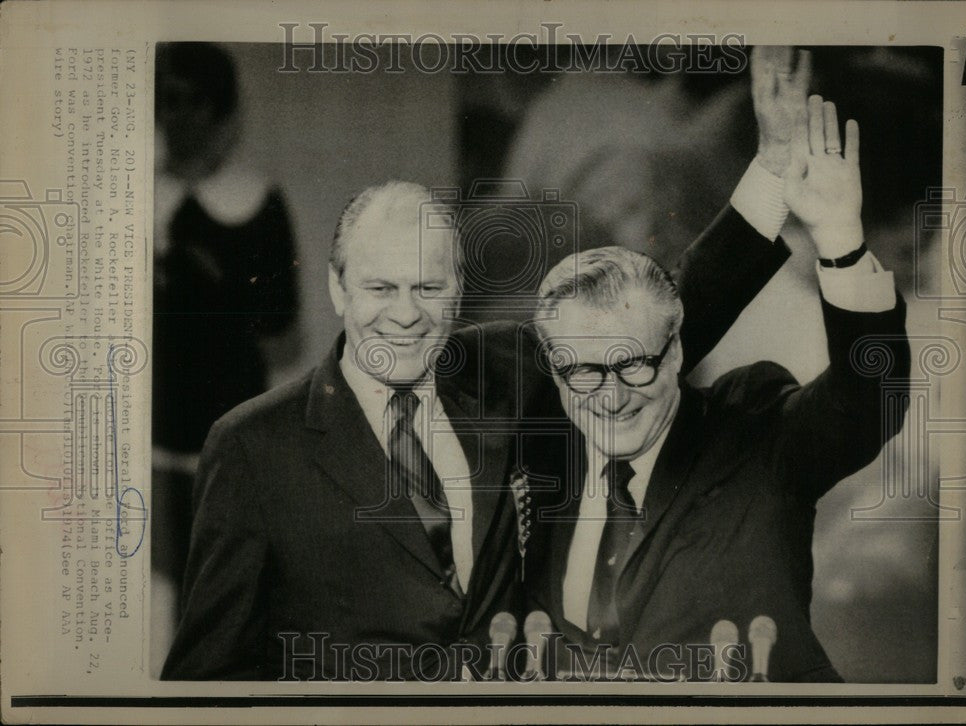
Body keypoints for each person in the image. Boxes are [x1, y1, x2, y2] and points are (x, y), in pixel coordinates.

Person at [161, 48, 808, 681]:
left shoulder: (506, 372)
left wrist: (773, 175)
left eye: (430, 288)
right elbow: (208, 673)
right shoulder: (253, 447)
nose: (407, 314)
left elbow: (671, 312)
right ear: (338, 291)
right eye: (382, 289)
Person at [521, 96, 910, 682]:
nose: (612, 395)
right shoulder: (539, 464)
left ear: (676, 352)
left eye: (636, 366)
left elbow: (864, 404)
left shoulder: (749, 435)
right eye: (584, 372)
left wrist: (840, 241)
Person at [151, 42, 299, 670]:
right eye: (167, 101)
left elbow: (281, 325)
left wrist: (208, 272)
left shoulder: (258, 202)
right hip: (150, 440)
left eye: (194, 102)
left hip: (228, 432)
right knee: (154, 608)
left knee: (224, 599)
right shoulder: (135, 198)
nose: (179, 118)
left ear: (223, 112)